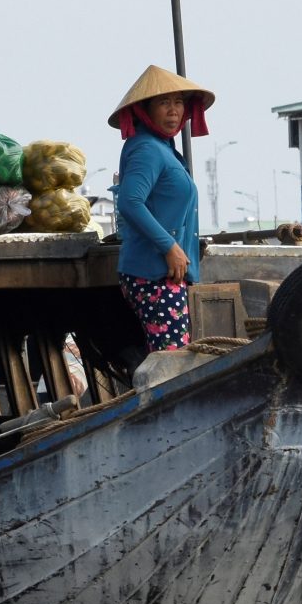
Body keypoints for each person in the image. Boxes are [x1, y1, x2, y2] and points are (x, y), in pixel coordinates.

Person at [110, 66, 211, 374]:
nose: (173, 110)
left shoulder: (164, 149)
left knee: (170, 359)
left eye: (178, 102)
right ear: (146, 110)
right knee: (171, 365)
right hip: (154, 273)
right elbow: (130, 201)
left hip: (165, 273)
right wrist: (170, 246)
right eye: (164, 102)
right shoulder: (147, 149)